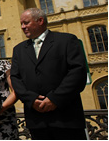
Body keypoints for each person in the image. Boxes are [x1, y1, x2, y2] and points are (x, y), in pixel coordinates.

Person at [11, 8, 87, 140]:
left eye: (26, 23)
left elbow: (78, 73)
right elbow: (15, 78)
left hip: (66, 118)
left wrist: (54, 99)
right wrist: (31, 99)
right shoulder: (18, 49)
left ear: (40, 21)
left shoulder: (66, 41)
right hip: (36, 120)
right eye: (21, 24)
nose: (23, 27)